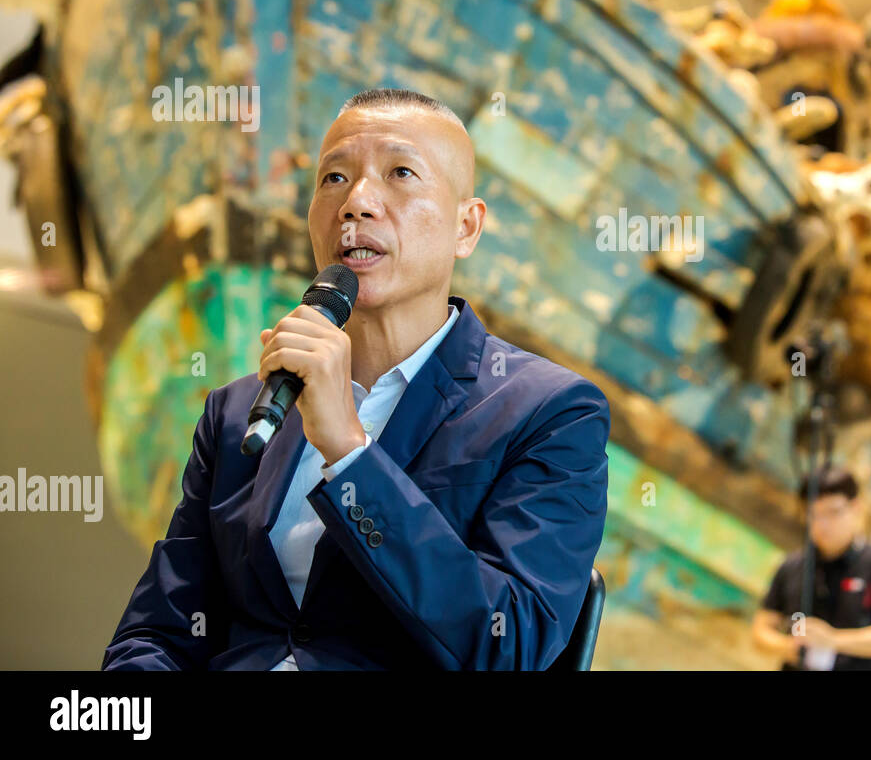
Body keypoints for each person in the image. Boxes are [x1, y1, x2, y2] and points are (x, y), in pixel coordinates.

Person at [102, 88, 609, 670]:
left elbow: (508, 645)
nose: (357, 203)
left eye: (400, 173)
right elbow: (158, 633)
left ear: (466, 228)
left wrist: (349, 453)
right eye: (334, 179)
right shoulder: (240, 410)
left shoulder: (550, 412)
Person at [752, 466, 871, 670]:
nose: (822, 524)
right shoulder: (792, 565)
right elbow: (761, 628)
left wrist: (833, 640)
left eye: (833, 512)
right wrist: (787, 646)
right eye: (813, 514)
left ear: (855, 507)